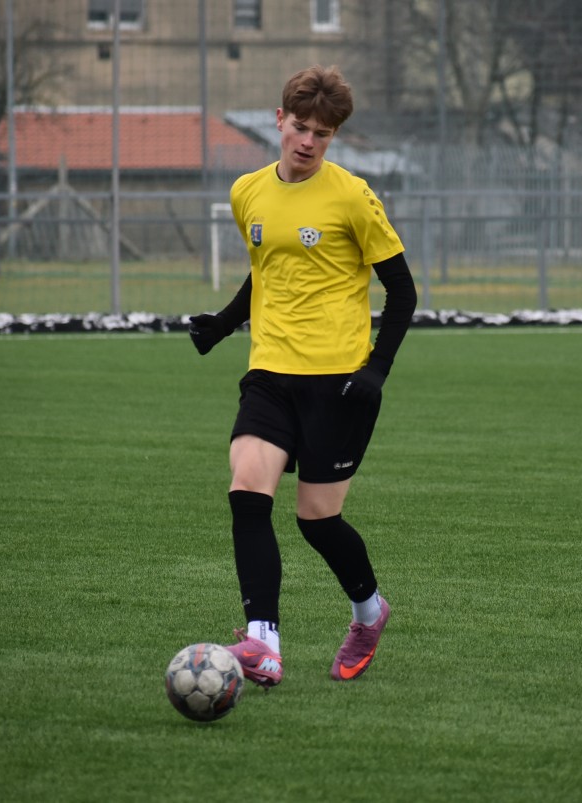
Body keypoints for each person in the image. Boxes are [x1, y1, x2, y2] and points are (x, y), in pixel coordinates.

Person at [188, 65, 417, 687]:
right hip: (269, 373)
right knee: (247, 490)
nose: (309, 142)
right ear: (279, 120)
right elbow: (267, 270)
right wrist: (223, 324)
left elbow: (402, 292)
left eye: (323, 133)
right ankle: (262, 642)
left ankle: (369, 613)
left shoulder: (353, 197)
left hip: (339, 383)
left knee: (317, 520)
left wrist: (376, 370)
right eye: (301, 127)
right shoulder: (247, 192)